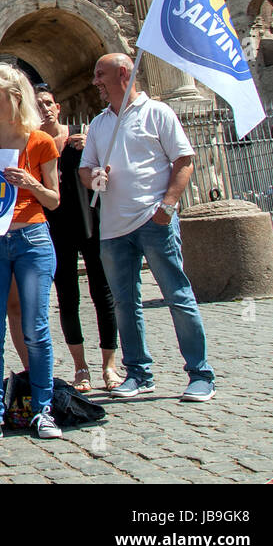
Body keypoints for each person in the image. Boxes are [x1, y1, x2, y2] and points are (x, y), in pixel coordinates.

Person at [80, 53, 215, 402]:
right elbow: (86, 169)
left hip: (154, 221)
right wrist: (95, 179)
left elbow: (183, 159)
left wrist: (168, 205)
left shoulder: (158, 113)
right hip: (113, 227)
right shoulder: (98, 124)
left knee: (178, 295)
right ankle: (138, 373)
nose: (95, 80)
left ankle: (200, 374)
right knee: (125, 303)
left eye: (100, 73)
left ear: (124, 73)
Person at [0, 64, 62, 449]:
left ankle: (43, 408)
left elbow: (53, 200)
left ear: (15, 98)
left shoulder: (40, 142)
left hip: (32, 239)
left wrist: (32, 183)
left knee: (36, 328)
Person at [34, 84, 120, 391]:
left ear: (58, 107)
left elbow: (102, 182)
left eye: (47, 102)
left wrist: (95, 161)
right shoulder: (32, 145)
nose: (43, 108)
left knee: (103, 294)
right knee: (67, 297)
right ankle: (81, 367)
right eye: (37, 104)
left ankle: (110, 365)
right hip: (54, 228)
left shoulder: (84, 137)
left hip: (90, 223)